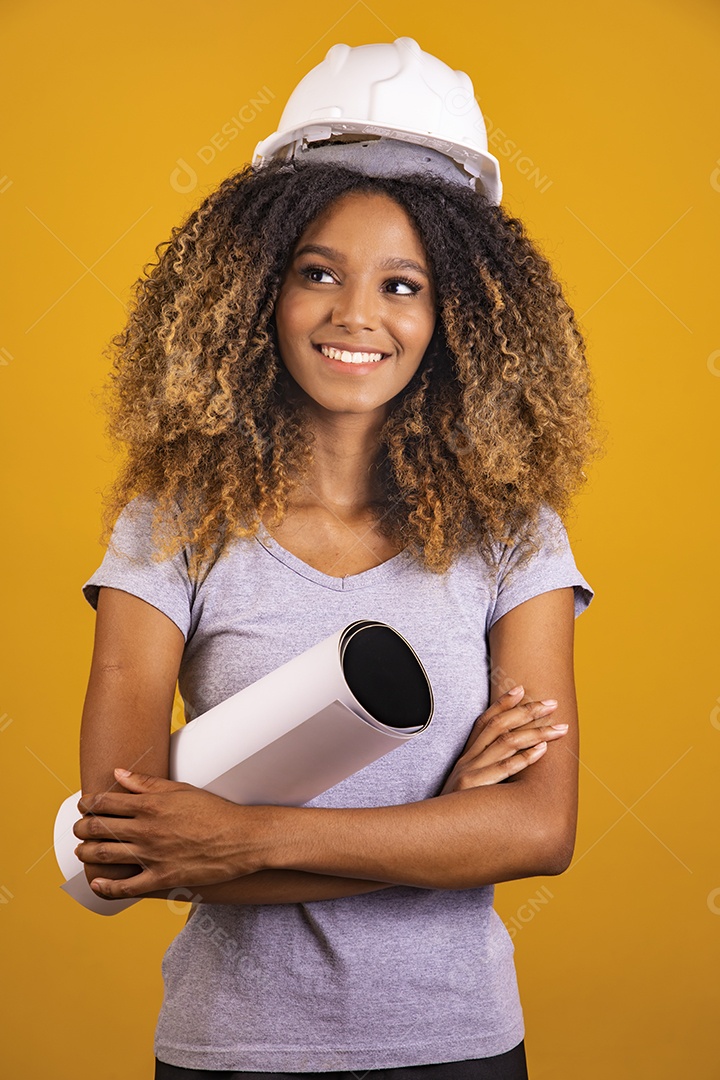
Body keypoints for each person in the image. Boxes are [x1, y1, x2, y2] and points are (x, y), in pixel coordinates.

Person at [72, 38, 599, 1080]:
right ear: (259, 292)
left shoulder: (515, 533)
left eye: (404, 285)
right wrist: (446, 831)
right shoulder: (168, 525)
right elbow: (126, 842)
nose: (357, 314)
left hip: (460, 1047)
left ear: (457, 317)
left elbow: (540, 830)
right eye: (319, 273)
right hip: (234, 1050)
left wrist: (242, 839)